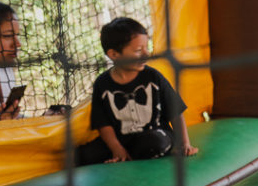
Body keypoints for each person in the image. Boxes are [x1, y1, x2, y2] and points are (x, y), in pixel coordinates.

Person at [75, 17, 197, 165]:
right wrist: (116, 148)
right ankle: (124, 155)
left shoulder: (153, 77)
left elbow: (175, 112)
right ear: (114, 54)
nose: (146, 54)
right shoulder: (102, 84)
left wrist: (184, 143)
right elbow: (103, 124)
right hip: (123, 139)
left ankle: (131, 156)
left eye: (147, 47)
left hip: (155, 134)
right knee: (82, 155)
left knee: (155, 143)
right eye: (139, 50)